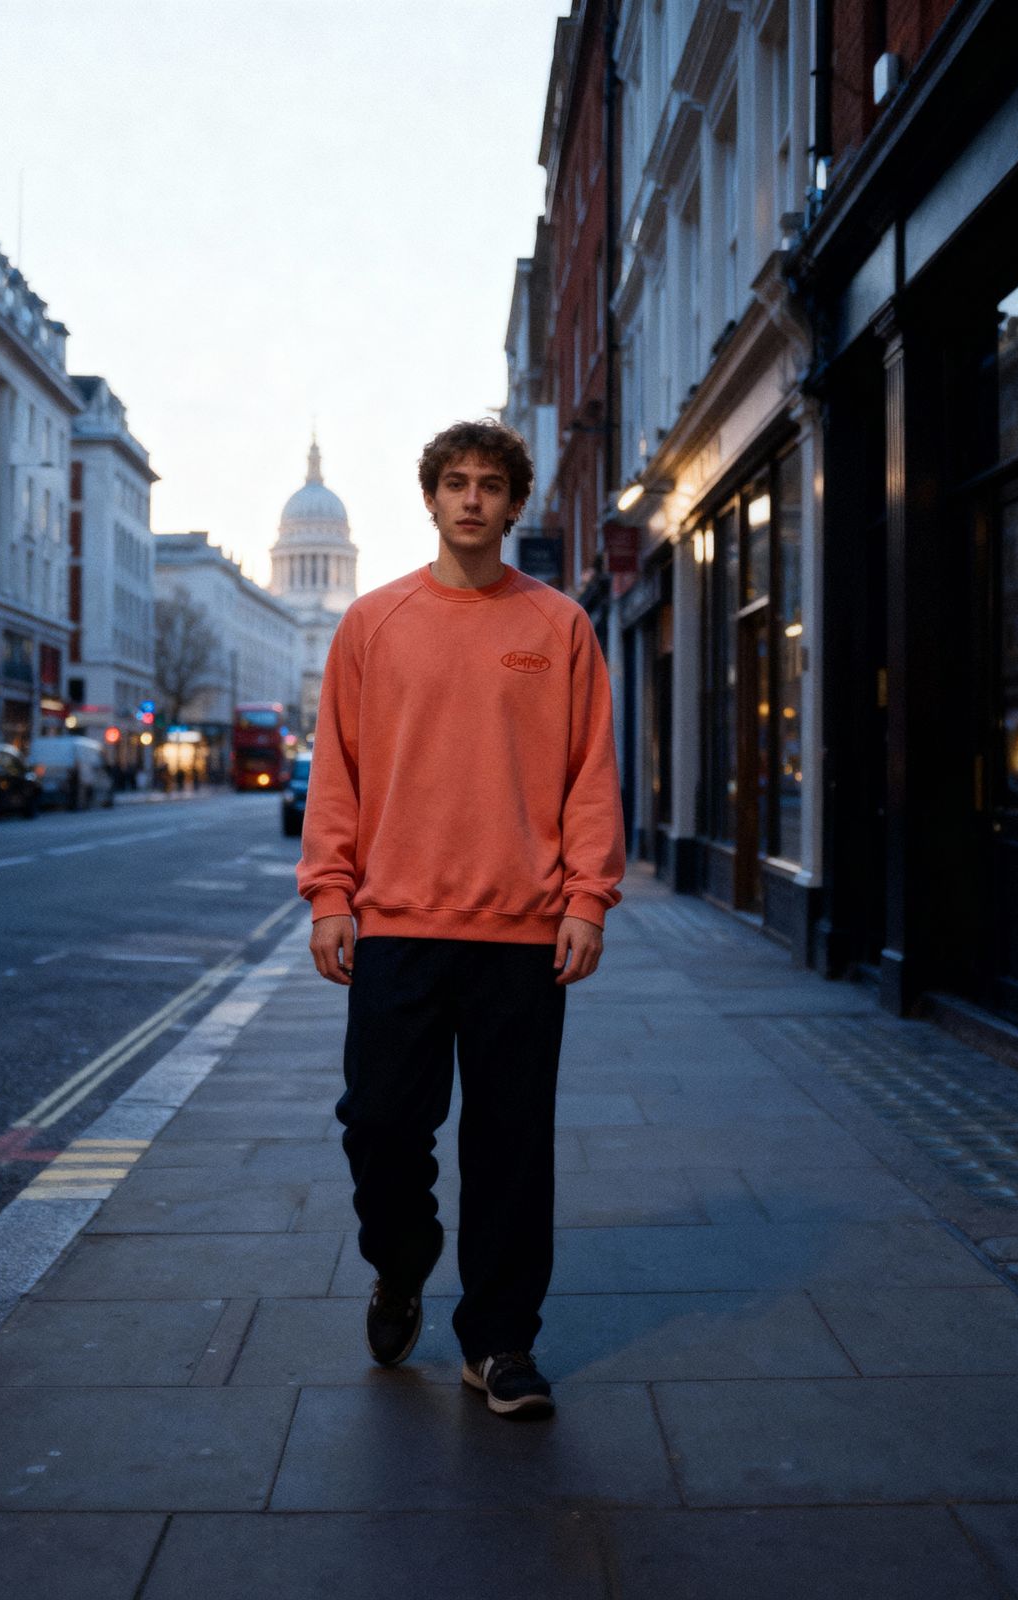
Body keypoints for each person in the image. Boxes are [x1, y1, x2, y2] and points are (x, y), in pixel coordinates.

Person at [297, 418, 625, 1419]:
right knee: (382, 1127)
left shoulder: (561, 626)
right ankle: (402, 1263)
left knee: (512, 1150)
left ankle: (500, 1342)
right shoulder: (373, 623)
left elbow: (590, 778)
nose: (473, 497)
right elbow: (337, 772)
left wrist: (587, 900)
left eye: (491, 483)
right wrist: (328, 894)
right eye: (456, 481)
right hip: (395, 925)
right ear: (431, 498)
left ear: (517, 503)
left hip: (523, 934)